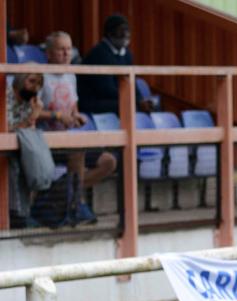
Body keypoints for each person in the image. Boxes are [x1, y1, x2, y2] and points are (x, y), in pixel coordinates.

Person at [40, 31, 117, 203]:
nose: (67, 53)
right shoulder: (39, 77)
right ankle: (74, 204)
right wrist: (58, 116)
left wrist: (77, 116)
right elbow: (30, 112)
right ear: (49, 53)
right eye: (61, 49)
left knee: (109, 161)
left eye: (69, 49)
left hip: (70, 139)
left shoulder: (71, 75)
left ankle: (63, 190)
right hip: (47, 142)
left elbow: (73, 107)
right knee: (77, 154)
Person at [77, 13, 150, 115]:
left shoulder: (127, 54)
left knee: (149, 106)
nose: (126, 34)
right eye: (121, 30)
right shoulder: (99, 53)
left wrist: (141, 100)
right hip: (93, 101)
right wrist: (134, 100)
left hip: (114, 98)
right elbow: (105, 89)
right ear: (109, 33)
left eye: (127, 30)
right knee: (128, 105)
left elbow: (131, 82)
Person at [6, 72, 44, 227]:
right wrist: (32, 117)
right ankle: (15, 214)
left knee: (33, 160)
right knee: (14, 164)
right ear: (21, 80)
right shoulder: (6, 95)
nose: (35, 88)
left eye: (39, 84)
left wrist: (33, 116)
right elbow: (7, 129)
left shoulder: (30, 101)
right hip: (5, 148)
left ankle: (25, 213)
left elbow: (29, 131)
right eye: (31, 82)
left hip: (20, 147)